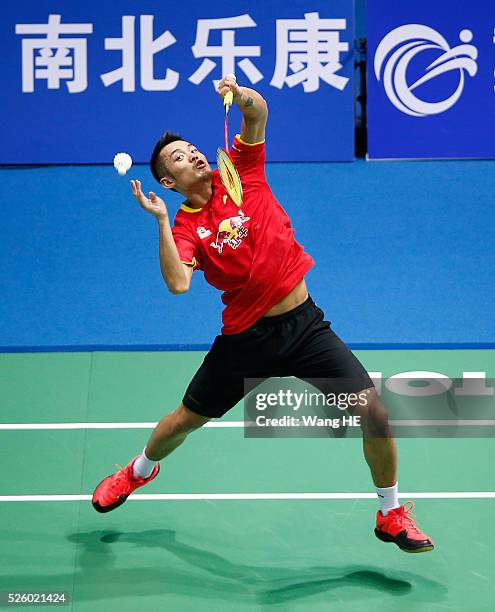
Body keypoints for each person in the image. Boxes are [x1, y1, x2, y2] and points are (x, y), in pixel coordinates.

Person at [92, 74, 434, 554]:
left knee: (373, 411)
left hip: (306, 327)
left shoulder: (242, 170)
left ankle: (390, 512)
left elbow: (257, 113)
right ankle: (138, 471)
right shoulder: (188, 226)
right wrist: (164, 224)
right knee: (183, 421)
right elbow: (178, 283)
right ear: (168, 182)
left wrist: (240, 93)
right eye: (177, 157)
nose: (191, 154)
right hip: (246, 340)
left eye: (192, 148)